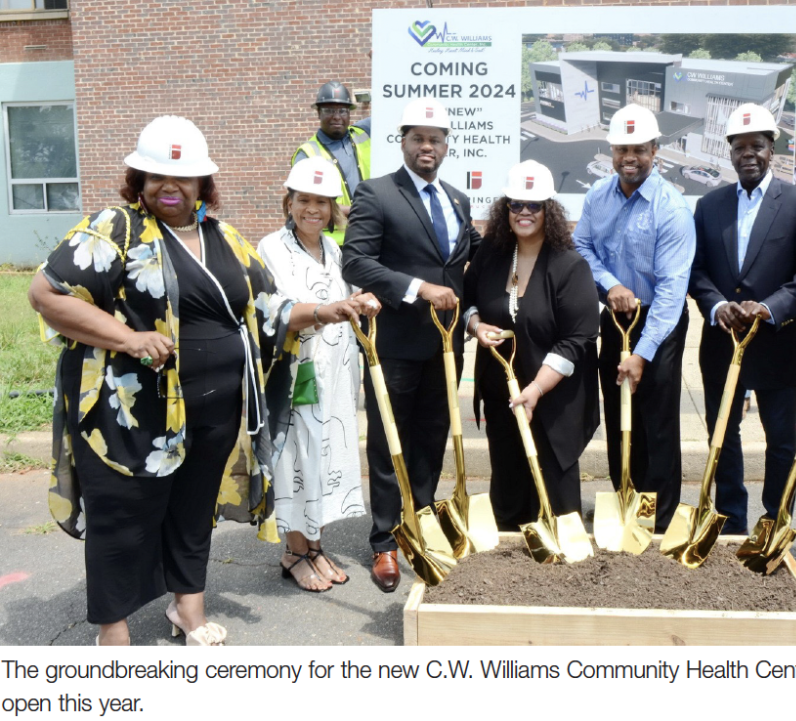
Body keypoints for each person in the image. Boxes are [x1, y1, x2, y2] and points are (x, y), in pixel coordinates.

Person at [27, 116, 370, 645]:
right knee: (124, 518)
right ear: (138, 179)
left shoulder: (225, 237)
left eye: (183, 177)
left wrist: (329, 309)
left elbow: (269, 306)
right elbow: (47, 295)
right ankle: (112, 629)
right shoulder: (114, 229)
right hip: (130, 413)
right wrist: (127, 338)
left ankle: (188, 610)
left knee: (192, 512)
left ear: (201, 185)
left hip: (211, 412)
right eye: (158, 175)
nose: (171, 187)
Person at [342, 97, 481, 593]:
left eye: (436, 139)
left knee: (431, 439)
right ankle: (384, 541)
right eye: (418, 138)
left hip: (445, 348)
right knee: (388, 444)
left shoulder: (458, 200)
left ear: (447, 145)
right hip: (394, 345)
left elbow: (468, 266)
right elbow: (356, 263)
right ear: (402, 143)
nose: (428, 146)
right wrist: (418, 289)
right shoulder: (376, 194)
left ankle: (418, 523)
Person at [689, 102, 796, 536]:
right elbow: (697, 271)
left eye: (758, 146)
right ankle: (731, 517)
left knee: (780, 440)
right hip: (722, 343)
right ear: (729, 152)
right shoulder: (709, 206)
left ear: (772, 149)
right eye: (740, 147)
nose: (748, 154)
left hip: (776, 342)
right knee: (723, 435)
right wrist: (716, 306)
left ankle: (775, 518)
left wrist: (768, 308)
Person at [257, 157, 380, 592]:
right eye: (304, 200)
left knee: (326, 457)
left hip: (337, 374)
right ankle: (295, 552)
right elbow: (276, 310)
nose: (313, 209)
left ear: (333, 208)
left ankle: (316, 545)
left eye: (322, 202)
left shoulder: (334, 248)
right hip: (297, 373)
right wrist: (329, 312)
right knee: (296, 459)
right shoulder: (271, 247)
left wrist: (361, 299)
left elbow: (341, 295)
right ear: (288, 202)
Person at [574, 104, 695, 534]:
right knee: (618, 409)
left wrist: (642, 355)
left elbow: (671, 291)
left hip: (658, 322)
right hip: (615, 316)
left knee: (655, 418)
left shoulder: (672, 208)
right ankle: (625, 496)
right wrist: (610, 285)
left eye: (639, 149)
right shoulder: (598, 196)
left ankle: (656, 518)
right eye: (622, 148)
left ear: (654, 150)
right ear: (612, 150)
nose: (630, 157)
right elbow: (582, 248)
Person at [464, 161, 599, 530]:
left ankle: (561, 562)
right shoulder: (491, 255)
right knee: (507, 481)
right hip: (500, 390)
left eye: (534, 205)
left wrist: (536, 389)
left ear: (549, 210)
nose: (524, 213)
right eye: (516, 204)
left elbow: (578, 338)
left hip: (553, 397)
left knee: (556, 494)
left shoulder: (569, 266)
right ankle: (508, 557)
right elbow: (468, 298)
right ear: (505, 208)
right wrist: (476, 326)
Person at [292, 81, 371, 245]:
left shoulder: (363, 134)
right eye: (329, 110)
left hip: (370, 237)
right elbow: (301, 205)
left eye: (342, 111)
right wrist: (355, 211)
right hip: (334, 244)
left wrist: (380, 61)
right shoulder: (307, 153)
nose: (337, 116)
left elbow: (392, 107)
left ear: (349, 114)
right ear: (318, 113)